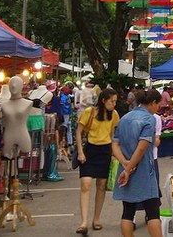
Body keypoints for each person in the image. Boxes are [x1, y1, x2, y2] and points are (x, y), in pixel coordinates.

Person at [112, 89, 161, 237]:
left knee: (127, 211)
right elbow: (142, 147)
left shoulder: (125, 117)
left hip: (125, 168)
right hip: (144, 170)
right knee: (153, 212)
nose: (157, 108)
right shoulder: (149, 119)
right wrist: (130, 167)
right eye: (158, 105)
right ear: (153, 103)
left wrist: (125, 163)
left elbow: (115, 144)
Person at [75, 88, 119, 235]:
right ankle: (84, 222)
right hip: (90, 150)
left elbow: (113, 135)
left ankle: (96, 219)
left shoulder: (114, 115)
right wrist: (80, 152)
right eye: (112, 101)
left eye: (115, 101)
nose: (114, 104)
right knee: (85, 184)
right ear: (103, 100)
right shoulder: (90, 112)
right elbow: (79, 131)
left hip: (105, 150)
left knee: (101, 185)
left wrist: (114, 154)